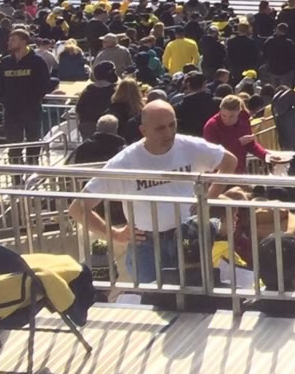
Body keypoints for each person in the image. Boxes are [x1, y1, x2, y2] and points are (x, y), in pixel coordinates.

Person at [74, 100, 235, 286]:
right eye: (160, 128)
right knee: (152, 301)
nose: (168, 132)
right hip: (146, 245)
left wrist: (208, 199)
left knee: (194, 298)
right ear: (143, 131)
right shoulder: (125, 162)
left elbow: (229, 161)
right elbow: (78, 208)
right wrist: (114, 234)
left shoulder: (190, 146)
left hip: (188, 239)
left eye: (172, 125)